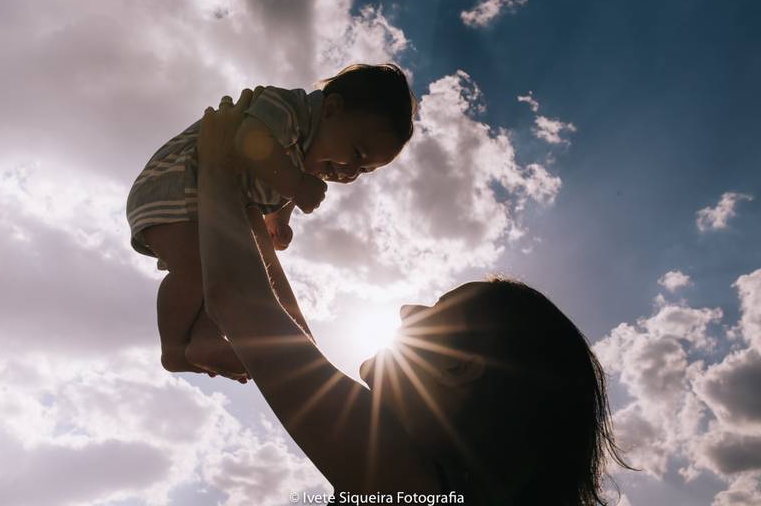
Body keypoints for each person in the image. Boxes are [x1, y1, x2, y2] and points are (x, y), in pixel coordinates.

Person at [194, 93, 633, 505]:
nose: (408, 309)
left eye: (438, 310)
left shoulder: (405, 478)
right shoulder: (442, 481)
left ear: (459, 365)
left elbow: (238, 300)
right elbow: (292, 343)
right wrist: (251, 216)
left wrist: (215, 166)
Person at [124, 64, 417, 380]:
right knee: (197, 268)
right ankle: (174, 347)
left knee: (220, 273)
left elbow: (276, 176)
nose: (350, 172)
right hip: (174, 186)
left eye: (364, 171)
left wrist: (278, 216)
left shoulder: (303, 156)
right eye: (357, 154)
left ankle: (203, 339)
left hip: (203, 204)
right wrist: (296, 185)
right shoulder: (287, 107)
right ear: (331, 109)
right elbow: (250, 140)